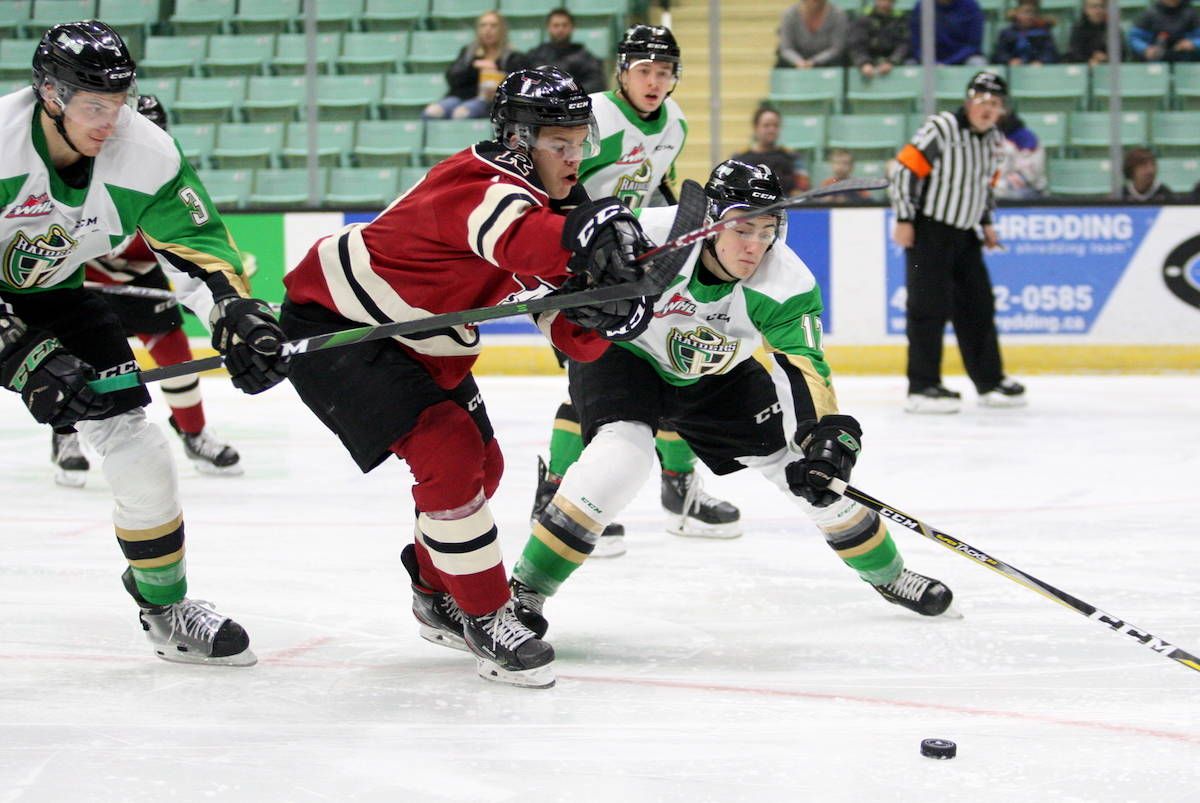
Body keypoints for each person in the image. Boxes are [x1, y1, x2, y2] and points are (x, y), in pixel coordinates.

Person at [279, 67, 652, 689]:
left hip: (422, 340)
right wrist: (590, 238)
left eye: (580, 141)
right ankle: (486, 614)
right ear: (516, 140)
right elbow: (527, 244)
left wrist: (606, 317)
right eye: (558, 143)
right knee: (448, 450)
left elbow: (559, 321)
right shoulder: (477, 183)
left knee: (487, 465)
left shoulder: (559, 204)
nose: (574, 156)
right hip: (340, 327)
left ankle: (435, 595)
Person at [499, 160, 955, 647]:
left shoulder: (785, 283)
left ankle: (888, 575)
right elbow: (549, 280)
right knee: (620, 457)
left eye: (767, 229)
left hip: (716, 373)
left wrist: (823, 435)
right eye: (741, 228)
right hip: (625, 356)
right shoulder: (648, 236)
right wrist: (562, 311)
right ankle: (525, 591)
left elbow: (803, 367)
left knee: (810, 472)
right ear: (711, 222)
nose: (755, 245)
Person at [0, 21, 288, 665]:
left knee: (137, 445)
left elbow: (199, 253)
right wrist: (20, 353)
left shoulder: (146, 152)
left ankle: (165, 606)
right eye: (93, 105)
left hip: (55, 294)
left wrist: (236, 312)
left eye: (119, 101)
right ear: (49, 95)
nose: (110, 120)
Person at [531, 24, 743, 560]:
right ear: (622, 71)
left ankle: (680, 491)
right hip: (578, 268)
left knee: (670, 365)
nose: (654, 81)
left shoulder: (676, 122)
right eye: (644, 70)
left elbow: (659, 187)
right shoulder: (593, 115)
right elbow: (554, 185)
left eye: (664, 72)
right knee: (594, 380)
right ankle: (555, 495)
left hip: (637, 267)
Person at [50, 94, 242, 487]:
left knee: (172, 344)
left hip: (138, 278)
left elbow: (183, 237)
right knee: (66, 363)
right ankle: (65, 436)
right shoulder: (78, 161)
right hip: (81, 277)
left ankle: (193, 432)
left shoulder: (159, 167)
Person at [888, 70, 1026, 413]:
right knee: (927, 308)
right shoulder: (942, 127)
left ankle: (989, 382)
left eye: (995, 104)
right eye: (982, 101)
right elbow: (905, 170)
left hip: (965, 233)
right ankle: (922, 387)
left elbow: (985, 185)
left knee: (978, 305)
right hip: (928, 231)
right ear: (969, 101)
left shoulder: (995, 140)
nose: (988, 109)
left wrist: (987, 223)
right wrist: (905, 218)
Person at [423, 10, 528, 120]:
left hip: (491, 100)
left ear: (502, 30)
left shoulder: (513, 57)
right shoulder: (468, 53)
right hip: (460, 96)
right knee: (431, 112)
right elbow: (452, 78)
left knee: (461, 114)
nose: (488, 30)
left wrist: (496, 72)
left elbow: (518, 84)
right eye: (483, 25)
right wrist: (474, 67)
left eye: (493, 26)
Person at [730, 105, 809, 195]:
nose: (772, 130)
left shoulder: (792, 157)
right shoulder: (740, 158)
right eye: (766, 126)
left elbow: (803, 189)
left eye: (775, 126)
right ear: (756, 128)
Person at [524, 7, 605, 94]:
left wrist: (567, 92)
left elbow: (596, 83)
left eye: (564, 25)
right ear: (548, 28)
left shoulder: (585, 58)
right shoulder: (535, 55)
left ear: (572, 28)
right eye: (556, 25)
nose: (560, 29)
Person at [908, 0, 988, 65]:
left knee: (977, 63)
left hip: (963, 58)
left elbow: (973, 45)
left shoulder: (971, 6)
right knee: (909, 65)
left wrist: (948, 62)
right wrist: (930, 62)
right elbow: (917, 45)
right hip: (930, 60)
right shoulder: (922, 7)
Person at [777, 0, 850, 68]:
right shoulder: (789, 15)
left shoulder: (838, 15)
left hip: (829, 63)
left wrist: (814, 62)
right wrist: (799, 62)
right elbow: (786, 48)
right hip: (796, 64)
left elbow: (837, 48)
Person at [848, 0, 911, 77]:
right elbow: (856, 45)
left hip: (894, 63)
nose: (884, 2)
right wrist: (864, 63)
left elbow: (903, 44)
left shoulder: (900, 19)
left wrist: (892, 61)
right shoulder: (864, 18)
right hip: (869, 61)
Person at [993, 110, 1047, 199]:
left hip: (1029, 188)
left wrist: (1000, 182)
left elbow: (1029, 175)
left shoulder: (1026, 138)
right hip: (999, 183)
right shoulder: (990, 138)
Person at [1128, 0, 1200, 62]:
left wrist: (1193, 43)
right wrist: (1145, 49)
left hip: (1186, 61)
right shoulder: (1150, 14)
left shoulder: (1191, 13)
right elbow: (1134, 37)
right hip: (1156, 61)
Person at [993, 0, 1060, 64]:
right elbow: (999, 54)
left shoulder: (1044, 32)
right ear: (1017, 14)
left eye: (1031, 13)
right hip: (1014, 70)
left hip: (1039, 71)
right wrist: (1009, 60)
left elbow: (1050, 53)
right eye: (1024, 13)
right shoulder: (1007, 33)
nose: (1028, 17)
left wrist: (1042, 61)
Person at [1066, 0, 1126, 64]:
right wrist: (1089, 60)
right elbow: (1074, 55)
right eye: (1094, 7)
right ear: (1086, 9)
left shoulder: (1113, 29)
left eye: (1102, 6)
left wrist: (1106, 58)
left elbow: (1123, 54)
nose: (1098, 10)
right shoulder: (1078, 29)